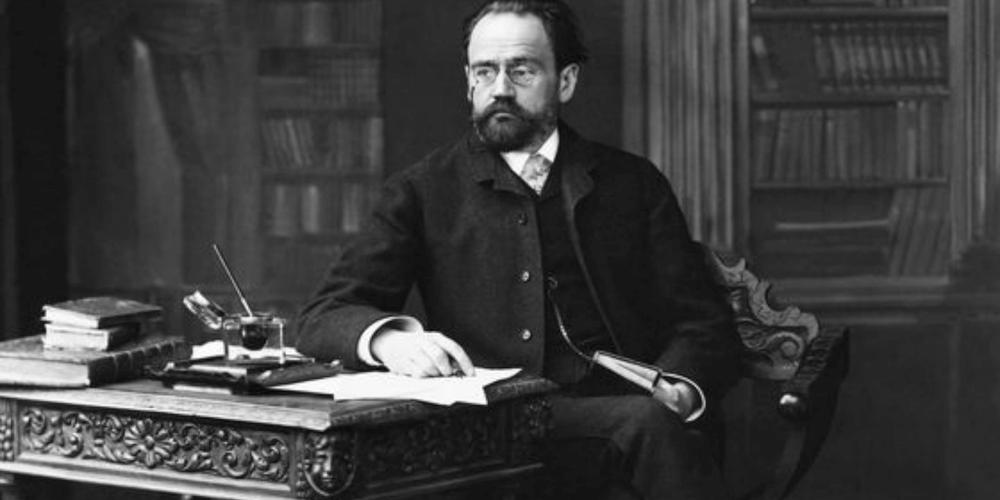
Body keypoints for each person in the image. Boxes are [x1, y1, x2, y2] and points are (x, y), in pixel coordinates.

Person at [295, 1, 742, 498]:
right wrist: (389, 341)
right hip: (489, 433)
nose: (500, 88)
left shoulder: (633, 183)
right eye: (485, 71)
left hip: (623, 422)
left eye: (522, 70)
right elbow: (322, 316)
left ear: (565, 81)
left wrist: (680, 388)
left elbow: (701, 322)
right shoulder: (421, 190)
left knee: (649, 424)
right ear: (469, 82)